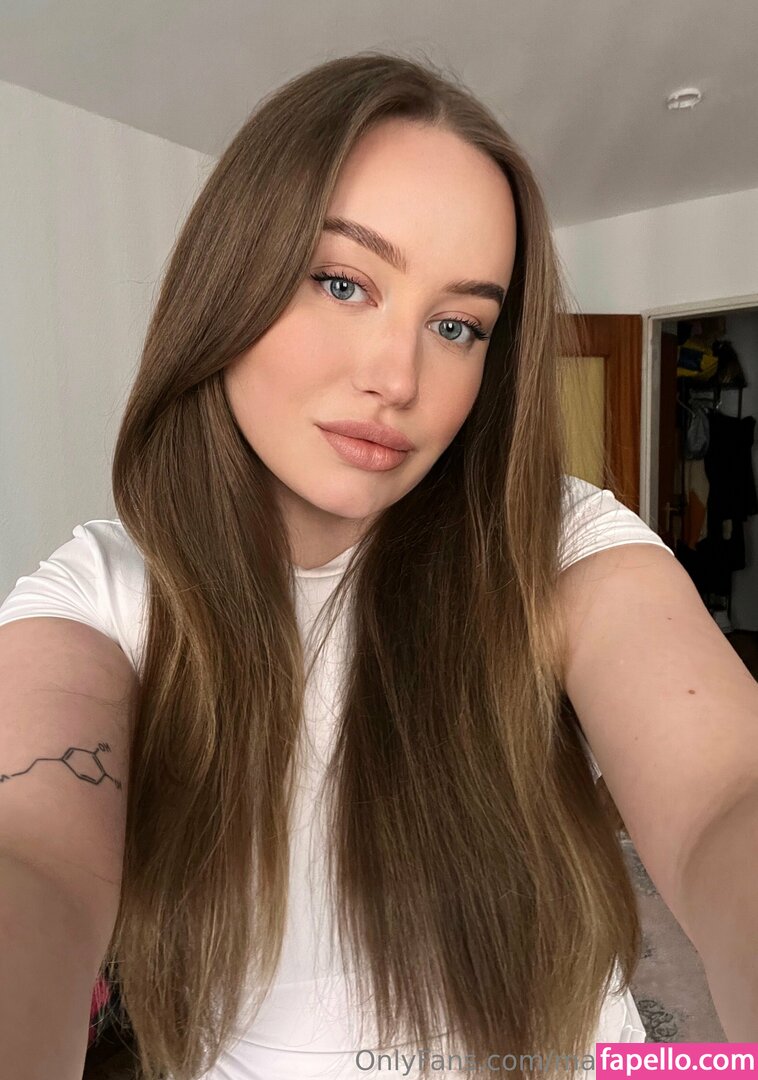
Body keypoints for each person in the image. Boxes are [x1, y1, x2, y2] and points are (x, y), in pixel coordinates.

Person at [1, 51, 756, 1080]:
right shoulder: (106, 596)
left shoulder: (554, 546)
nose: (398, 377)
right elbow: (33, 859)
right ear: (230, 280)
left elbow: (724, 796)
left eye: (456, 325)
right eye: (343, 282)